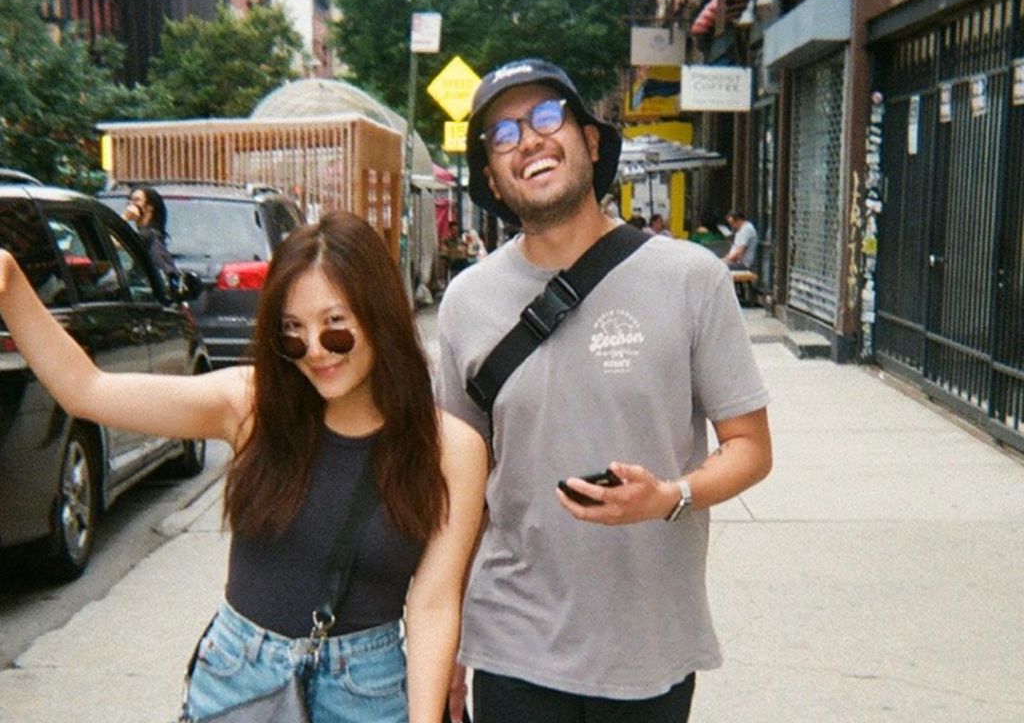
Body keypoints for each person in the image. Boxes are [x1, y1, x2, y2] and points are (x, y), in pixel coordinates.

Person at [0, 211, 487, 723]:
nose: (315, 351)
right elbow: (87, 390)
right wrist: (10, 282)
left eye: (335, 327)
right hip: (239, 679)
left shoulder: (452, 448)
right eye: (293, 332)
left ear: (380, 317)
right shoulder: (253, 406)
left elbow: (433, 605)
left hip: (367, 692)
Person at [437, 58, 772, 723]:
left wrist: (670, 496)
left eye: (545, 117)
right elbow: (462, 488)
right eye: (503, 135)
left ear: (590, 142)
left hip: (649, 644)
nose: (528, 140)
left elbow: (750, 448)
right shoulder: (467, 302)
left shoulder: (691, 278)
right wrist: (446, 637)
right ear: (493, 179)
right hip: (513, 640)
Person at [121, 185, 176, 276]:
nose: (130, 205)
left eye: (136, 200)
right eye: (129, 201)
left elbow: (112, 242)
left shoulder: (147, 235)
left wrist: (124, 218)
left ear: (149, 207)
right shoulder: (152, 234)